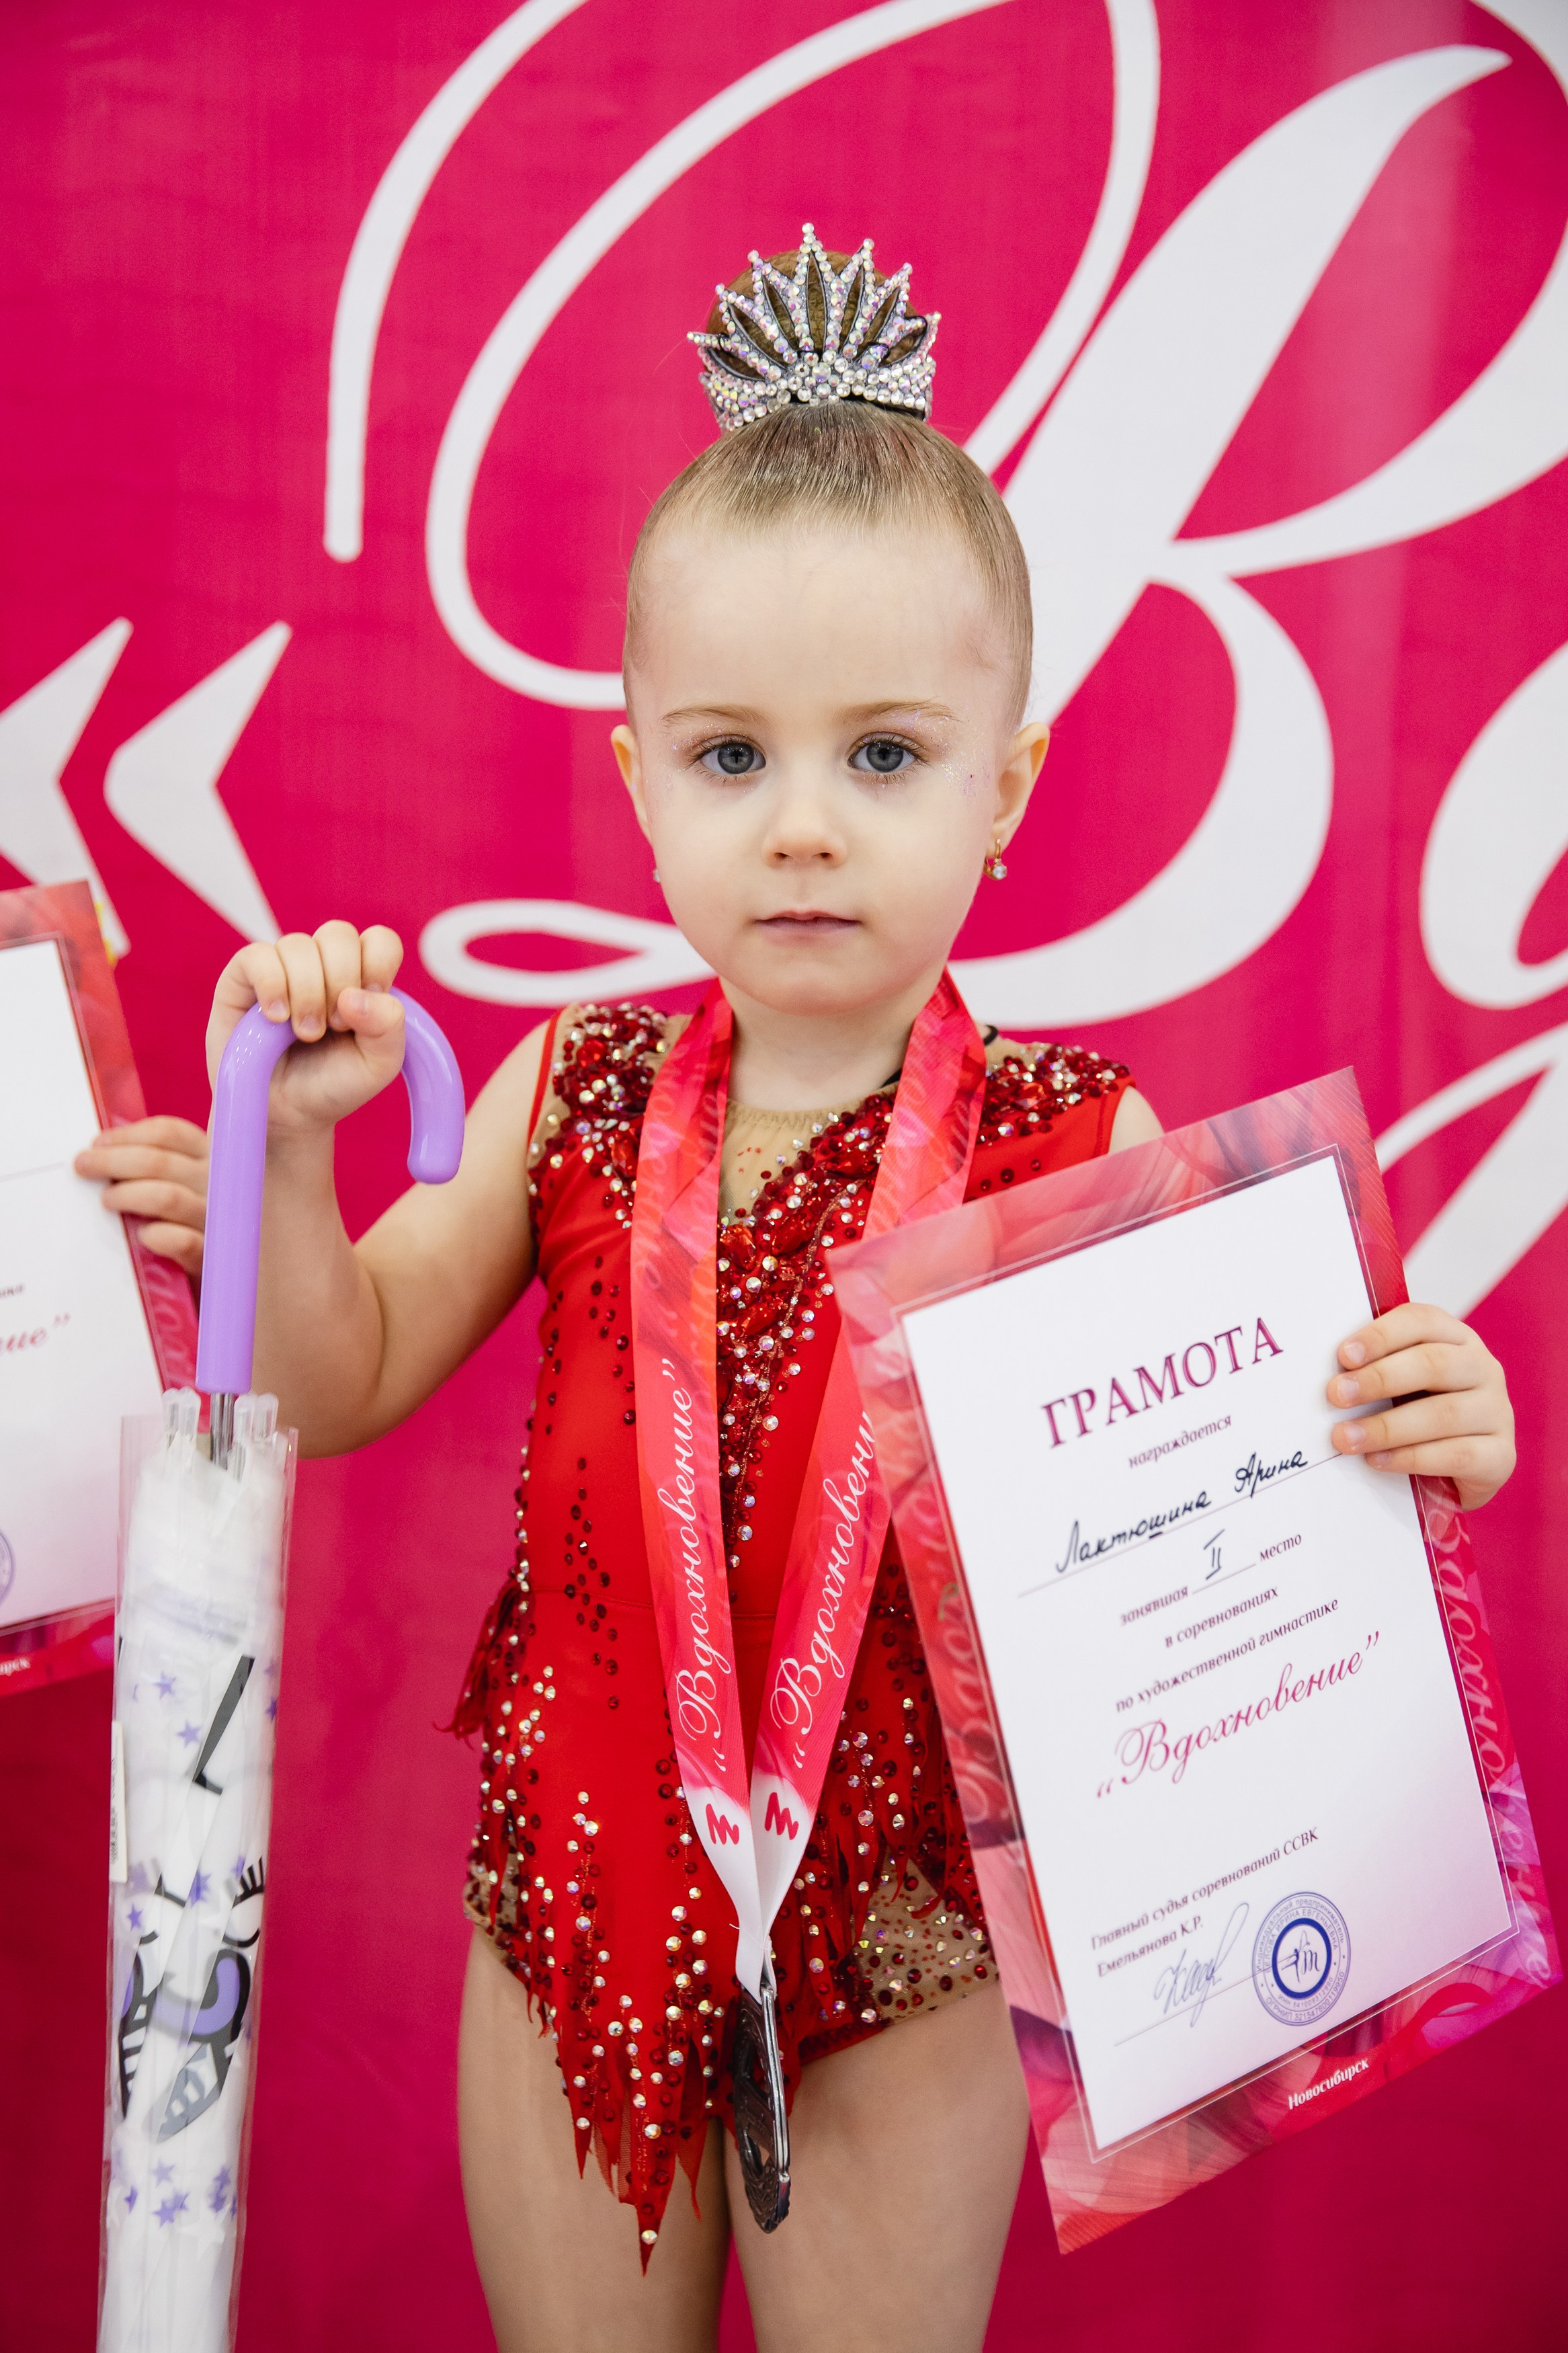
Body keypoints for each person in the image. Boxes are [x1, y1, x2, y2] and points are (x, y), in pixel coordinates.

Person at [76, 234, 1516, 2353]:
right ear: (641, 783)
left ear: (1006, 787)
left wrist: (1418, 1429)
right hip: (563, 1899)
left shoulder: (1079, 1138)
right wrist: (292, 1156)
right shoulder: (572, 1088)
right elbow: (338, 1367)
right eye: (734, 757)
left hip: (906, 1950)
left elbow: (1273, 1505)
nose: (807, 827)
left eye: (888, 755)